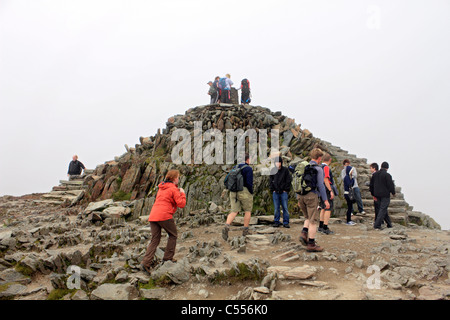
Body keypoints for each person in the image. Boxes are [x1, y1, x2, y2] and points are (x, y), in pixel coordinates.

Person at [141, 170, 186, 274]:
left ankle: (145, 263)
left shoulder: (161, 188)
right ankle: (167, 258)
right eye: (178, 177)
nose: (178, 179)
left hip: (153, 216)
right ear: (174, 179)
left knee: (155, 239)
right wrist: (182, 193)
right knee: (173, 235)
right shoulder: (173, 189)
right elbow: (181, 204)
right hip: (164, 215)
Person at [297, 148, 329, 252]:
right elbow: (321, 185)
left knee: (307, 217)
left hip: (301, 195)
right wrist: (325, 200)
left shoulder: (303, 166)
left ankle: (304, 233)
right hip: (311, 196)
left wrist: (298, 198)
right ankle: (311, 244)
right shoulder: (318, 169)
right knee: (313, 221)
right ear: (319, 158)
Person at [222, 153, 253, 240]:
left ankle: (226, 226)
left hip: (233, 192)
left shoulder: (235, 167)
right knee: (247, 211)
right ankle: (245, 231)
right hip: (244, 191)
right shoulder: (248, 169)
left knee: (234, 211)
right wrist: (251, 192)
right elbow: (249, 183)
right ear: (247, 159)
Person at [370, 162, 395, 230]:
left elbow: (371, 185)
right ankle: (377, 225)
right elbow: (391, 185)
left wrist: (373, 194)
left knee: (383, 210)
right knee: (383, 209)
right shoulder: (387, 175)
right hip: (385, 195)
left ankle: (389, 224)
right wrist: (393, 193)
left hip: (376, 195)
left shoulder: (375, 175)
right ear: (387, 168)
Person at [269, 156, 292, 228]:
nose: (277, 164)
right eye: (276, 162)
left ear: (281, 162)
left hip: (283, 192)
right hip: (275, 192)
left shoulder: (285, 170)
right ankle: (276, 221)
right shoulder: (273, 170)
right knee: (276, 208)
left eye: (279, 162)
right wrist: (273, 189)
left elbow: (288, 180)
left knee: (285, 207)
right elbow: (270, 181)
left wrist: (286, 189)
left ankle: (286, 222)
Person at [318, 153, 337, 235]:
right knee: (328, 208)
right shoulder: (326, 167)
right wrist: (330, 190)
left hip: (320, 189)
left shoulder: (319, 167)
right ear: (330, 160)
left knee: (323, 207)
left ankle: (320, 226)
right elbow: (326, 179)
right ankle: (325, 227)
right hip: (326, 188)